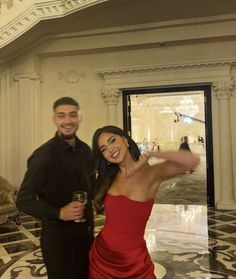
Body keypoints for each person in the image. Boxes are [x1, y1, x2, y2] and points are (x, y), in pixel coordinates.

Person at [89, 125, 200, 279]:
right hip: (102, 257)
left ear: (125, 140)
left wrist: (151, 153)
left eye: (112, 141)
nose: (110, 149)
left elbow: (192, 161)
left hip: (134, 263)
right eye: (103, 148)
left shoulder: (151, 174)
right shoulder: (108, 178)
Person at [16, 97, 94, 279]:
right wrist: (59, 212)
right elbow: (23, 200)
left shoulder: (86, 151)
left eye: (72, 115)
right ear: (54, 119)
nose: (67, 121)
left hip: (86, 238)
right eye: (61, 116)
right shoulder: (43, 156)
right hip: (59, 242)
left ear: (79, 118)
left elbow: (91, 188)